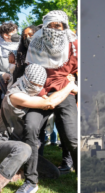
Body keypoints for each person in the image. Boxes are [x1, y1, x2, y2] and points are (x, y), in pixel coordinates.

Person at [0, 64, 78, 193]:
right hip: (2, 144)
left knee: (53, 173)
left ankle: (18, 170)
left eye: (41, 85)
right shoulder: (15, 95)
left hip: (23, 149)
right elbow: (48, 103)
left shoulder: (29, 90)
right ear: (26, 79)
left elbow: (44, 99)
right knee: (24, 149)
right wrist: (70, 86)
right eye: (35, 84)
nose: (38, 88)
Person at [24, 10, 78, 186]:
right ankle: (31, 178)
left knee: (71, 137)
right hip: (40, 93)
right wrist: (41, 95)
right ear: (45, 27)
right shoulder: (36, 42)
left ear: (64, 27)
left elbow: (79, 69)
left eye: (58, 25)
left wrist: (74, 84)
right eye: (50, 26)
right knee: (31, 128)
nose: (54, 29)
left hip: (65, 93)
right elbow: (31, 71)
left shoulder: (74, 43)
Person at [0, 22, 19, 88]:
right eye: (14, 33)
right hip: (6, 87)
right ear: (6, 35)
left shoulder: (21, 46)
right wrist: (2, 75)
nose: (17, 35)